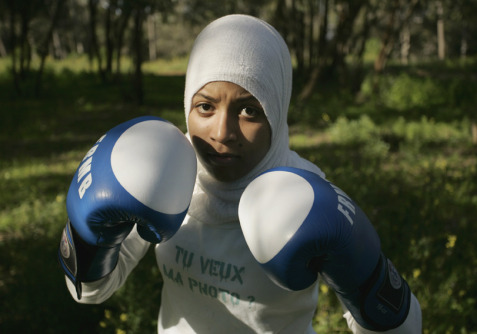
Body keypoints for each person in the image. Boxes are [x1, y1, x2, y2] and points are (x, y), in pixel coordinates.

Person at [58, 14, 422, 333]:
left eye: (249, 110)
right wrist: (89, 235)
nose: (222, 133)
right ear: (187, 105)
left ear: (276, 113)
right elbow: (89, 292)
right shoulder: (162, 172)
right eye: (205, 106)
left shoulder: (306, 195)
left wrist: (364, 280)